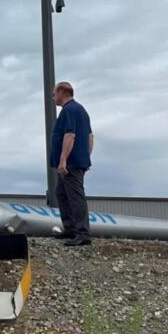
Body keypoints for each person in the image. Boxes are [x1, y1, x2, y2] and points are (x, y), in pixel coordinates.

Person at [50, 81, 94, 246]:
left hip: (71, 163)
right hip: (77, 160)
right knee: (61, 193)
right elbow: (90, 136)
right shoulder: (81, 110)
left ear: (62, 92)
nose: (53, 97)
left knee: (75, 196)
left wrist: (63, 160)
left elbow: (70, 135)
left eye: (54, 94)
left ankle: (82, 233)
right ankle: (70, 229)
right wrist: (86, 157)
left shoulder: (69, 110)